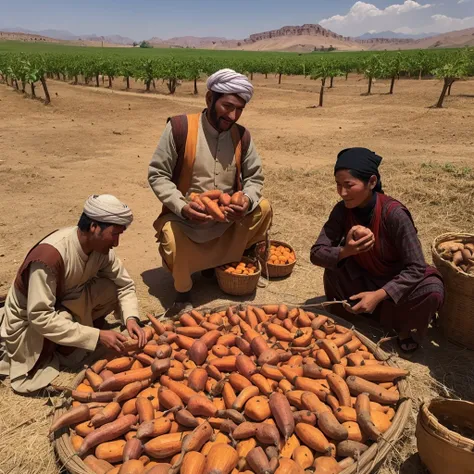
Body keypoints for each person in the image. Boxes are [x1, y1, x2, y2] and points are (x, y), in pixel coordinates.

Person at [148, 68, 272, 311]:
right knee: (172, 238)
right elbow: (157, 174)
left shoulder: (242, 136)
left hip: (227, 218)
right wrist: (183, 207)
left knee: (263, 208)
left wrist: (245, 200)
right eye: (227, 106)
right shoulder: (179, 128)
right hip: (187, 219)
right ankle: (183, 291)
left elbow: (255, 178)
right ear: (209, 99)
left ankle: (224, 262)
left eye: (239, 109)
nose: (233, 115)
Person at [0, 194, 146, 394]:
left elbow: (125, 285)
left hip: (67, 302)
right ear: (94, 226)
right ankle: (65, 344)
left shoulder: (100, 250)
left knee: (110, 288)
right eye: (114, 234)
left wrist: (131, 318)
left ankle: (76, 330)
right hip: (30, 323)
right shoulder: (50, 258)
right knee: (67, 326)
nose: (117, 243)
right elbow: (39, 317)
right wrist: (96, 335)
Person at [310, 148, 444, 356]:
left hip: (397, 285)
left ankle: (403, 329)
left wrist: (379, 295)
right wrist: (346, 251)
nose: (342, 193)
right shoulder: (342, 210)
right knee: (334, 266)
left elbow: (416, 267)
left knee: (432, 290)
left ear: (372, 182)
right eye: (338, 185)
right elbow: (317, 253)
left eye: (349, 185)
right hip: (363, 277)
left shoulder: (394, 214)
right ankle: (358, 314)